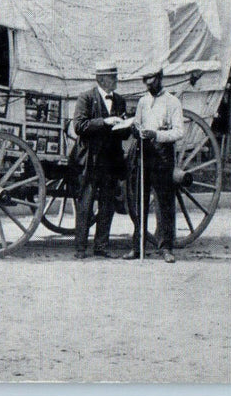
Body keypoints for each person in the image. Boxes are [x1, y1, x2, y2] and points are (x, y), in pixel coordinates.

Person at [125, 67, 185, 263]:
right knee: (139, 202)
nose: (149, 85)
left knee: (163, 202)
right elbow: (138, 122)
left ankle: (166, 247)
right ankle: (137, 246)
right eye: (146, 82)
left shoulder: (172, 102)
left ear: (160, 79)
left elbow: (178, 132)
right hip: (143, 153)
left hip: (162, 154)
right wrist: (136, 129)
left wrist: (157, 134)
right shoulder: (143, 101)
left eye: (152, 81)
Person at [72, 61, 129, 260]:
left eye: (116, 76)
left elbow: (123, 136)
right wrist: (105, 122)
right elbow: (79, 126)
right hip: (90, 159)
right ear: (102, 79)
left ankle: (101, 245)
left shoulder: (120, 101)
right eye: (113, 77)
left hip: (111, 161)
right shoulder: (86, 98)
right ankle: (80, 248)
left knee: (108, 204)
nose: (116, 80)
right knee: (85, 204)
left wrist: (126, 125)